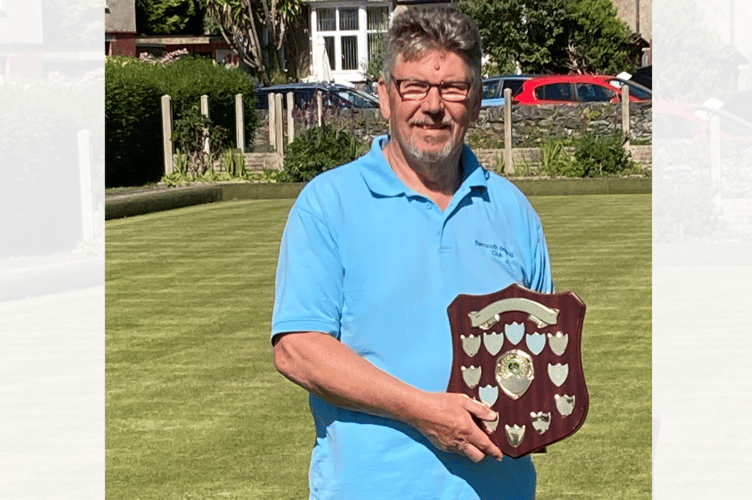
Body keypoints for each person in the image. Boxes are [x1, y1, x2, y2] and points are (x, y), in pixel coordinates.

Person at [272, 6, 553, 499]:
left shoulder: (512, 210)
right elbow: (298, 350)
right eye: (415, 86)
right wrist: (423, 410)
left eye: (452, 88)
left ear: (477, 99)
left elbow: (540, 350)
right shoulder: (329, 203)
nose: (434, 105)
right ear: (384, 96)